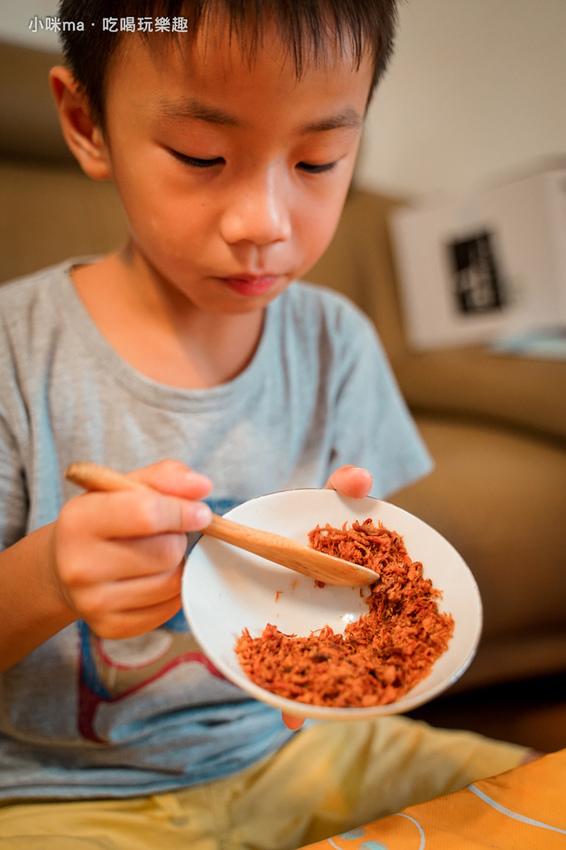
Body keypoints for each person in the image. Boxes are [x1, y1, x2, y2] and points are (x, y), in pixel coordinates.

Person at [0, 1, 527, 847]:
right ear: (85, 123)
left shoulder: (335, 343)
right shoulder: (16, 356)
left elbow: (360, 599)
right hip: (66, 795)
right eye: (202, 156)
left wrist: (353, 564)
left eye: (318, 161)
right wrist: (50, 578)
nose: (265, 224)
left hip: (302, 750)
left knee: (523, 800)